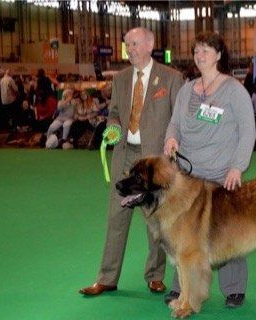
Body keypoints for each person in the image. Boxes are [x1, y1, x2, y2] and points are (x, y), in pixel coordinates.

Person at [79, 27, 184, 296]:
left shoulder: (171, 78)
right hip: (125, 155)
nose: (130, 50)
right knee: (116, 217)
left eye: (134, 44)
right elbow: (114, 112)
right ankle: (107, 277)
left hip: (154, 162)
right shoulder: (122, 79)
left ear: (150, 45)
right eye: (127, 45)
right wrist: (113, 127)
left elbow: (179, 119)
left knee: (155, 221)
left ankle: (155, 275)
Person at [163, 31, 256, 308]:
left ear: (218, 55)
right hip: (187, 177)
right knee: (184, 235)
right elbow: (175, 123)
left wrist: (237, 167)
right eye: (196, 50)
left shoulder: (234, 90)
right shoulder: (187, 89)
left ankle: (234, 288)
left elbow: (248, 132)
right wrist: (170, 138)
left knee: (229, 232)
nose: (199, 55)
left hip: (221, 175)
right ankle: (183, 289)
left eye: (205, 50)